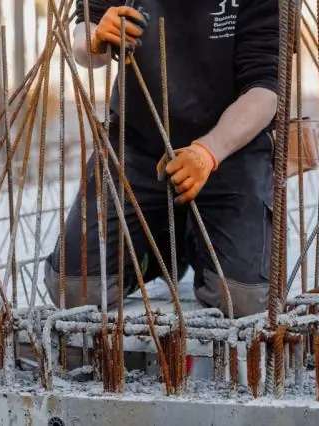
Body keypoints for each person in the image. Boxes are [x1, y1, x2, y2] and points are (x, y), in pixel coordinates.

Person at [44, 0, 280, 318]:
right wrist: (96, 38)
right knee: (75, 290)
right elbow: (86, 35)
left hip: (229, 153)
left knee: (242, 300)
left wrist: (208, 152)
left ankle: (198, 238)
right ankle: (159, 251)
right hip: (139, 146)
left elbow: (264, 89)